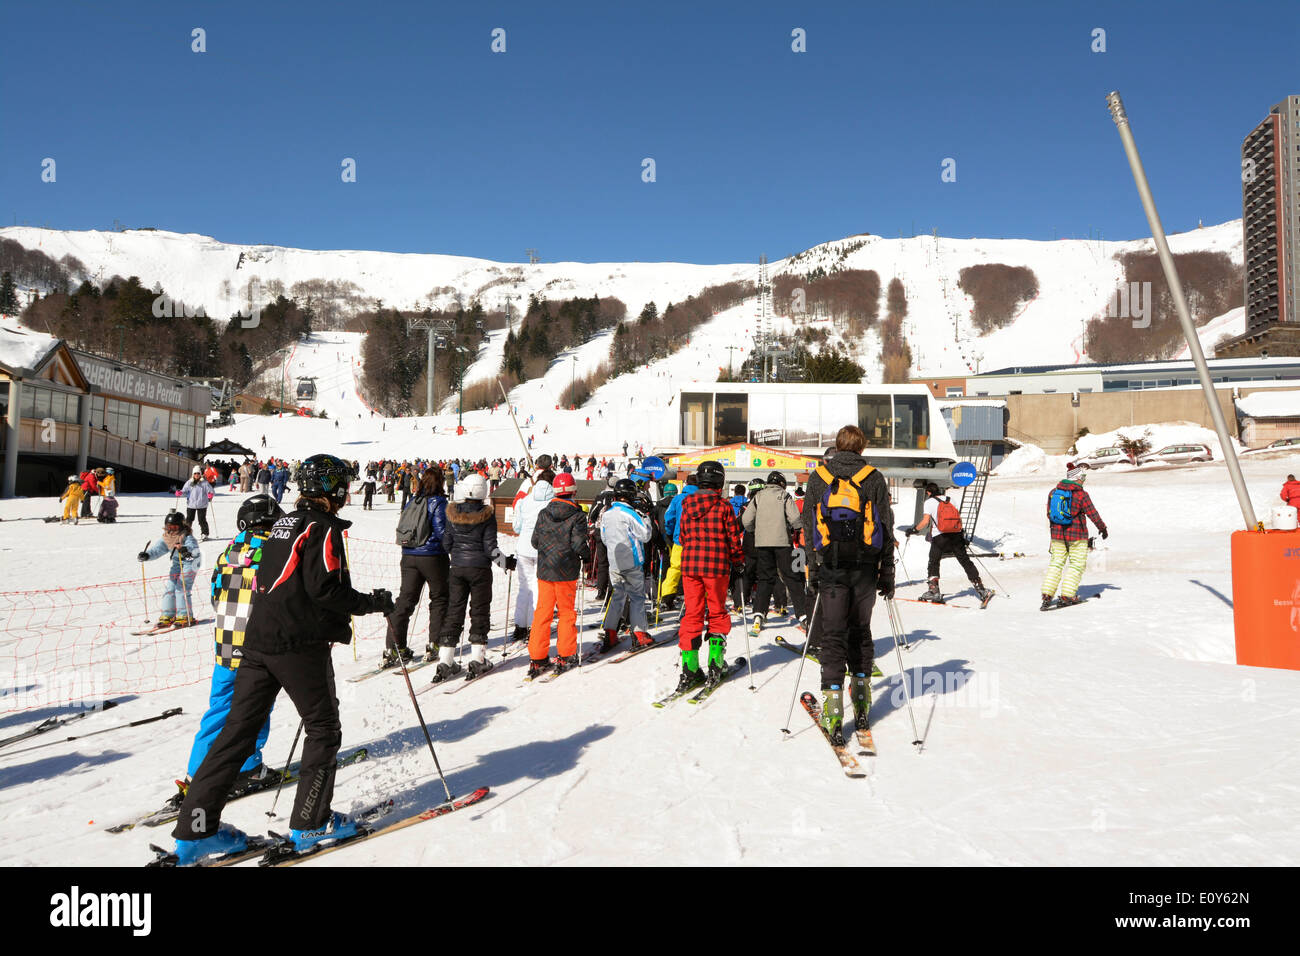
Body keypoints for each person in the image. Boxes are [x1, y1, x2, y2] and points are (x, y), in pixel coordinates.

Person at [170, 454, 394, 864]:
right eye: (342, 483)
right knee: (323, 728)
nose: (346, 491)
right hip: (296, 643)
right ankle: (311, 821)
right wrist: (372, 603)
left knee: (236, 733)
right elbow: (324, 588)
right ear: (331, 488)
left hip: (257, 641)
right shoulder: (321, 527)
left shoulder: (285, 522)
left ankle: (195, 832)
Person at [164, 494, 286, 813]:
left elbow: (216, 595)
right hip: (260, 644)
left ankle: (197, 771)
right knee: (256, 706)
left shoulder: (229, 551)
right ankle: (247, 766)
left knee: (220, 707)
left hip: (227, 643)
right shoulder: (277, 549)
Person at [802, 426, 895, 747]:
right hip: (866, 570)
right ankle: (862, 702)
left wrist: (812, 570)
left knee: (833, 635)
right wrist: (888, 572)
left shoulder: (820, 477)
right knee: (861, 632)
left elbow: (808, 525)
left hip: (831, 569)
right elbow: (885, 523)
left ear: (837, 446)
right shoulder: (874, 477)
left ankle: (832, 709)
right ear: (862, 447)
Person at [674, 460, 743, 693]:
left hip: (690, 567)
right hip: (716, 567)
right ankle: (716, 663)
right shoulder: (723, 507)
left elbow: (682, 536)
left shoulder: (686, 504)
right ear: (720, 482)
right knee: (717, 611)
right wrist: (738, 562)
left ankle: (690, 667)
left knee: (692, 614)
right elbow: (733, 539)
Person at [436, 472, 506, 681]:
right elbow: (490, 548)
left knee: (454, 611)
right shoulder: (487, 515)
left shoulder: (452, 513)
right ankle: (478, 658)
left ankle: (445, 661)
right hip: (480, 570)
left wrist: (457, 555)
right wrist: (506, 562)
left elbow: (446, 543)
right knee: (479, 611)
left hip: (456, 568)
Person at [383, 466, 449, 667]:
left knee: (405, 600)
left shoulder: (413, 501)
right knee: (439, 598)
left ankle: (394, 647)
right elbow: (441, 531)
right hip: (432, 556)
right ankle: (435, 643)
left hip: (409, 555)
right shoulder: (438, 502)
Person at [528, 472, 590, 676]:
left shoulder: (544, 513)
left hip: (545, 570)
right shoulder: (578, 515)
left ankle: (537, 656)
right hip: (566, 570)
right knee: (566, 613)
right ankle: (565, 653)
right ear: (573, 492)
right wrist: (586, 555)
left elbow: (535, 541)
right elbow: (579, 543)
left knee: (542, 613)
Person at [743, 470, 809, 634]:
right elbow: (794, 518)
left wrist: (754, 531)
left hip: (762, 543)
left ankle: (759, 614)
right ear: (782, 483)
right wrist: (797, 528)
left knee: (765, 578)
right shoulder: (785, 496)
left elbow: (746, 520)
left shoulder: (758, 497)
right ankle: (803, 615)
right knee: (791, 577)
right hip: (782, 543)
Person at [906, 482, 991, 605]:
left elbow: (925, 521)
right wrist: (961, 535)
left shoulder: (929, 502)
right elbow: (958, 519)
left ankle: (934, 591)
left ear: (928, 492)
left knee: (934, 562)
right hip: (956, 536)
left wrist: (914, 530)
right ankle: (980, 589)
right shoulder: (951, 500)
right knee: (965, 561)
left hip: (939, 536)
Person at [598, 478, 655, 654]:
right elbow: (645, 535)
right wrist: (645, 517)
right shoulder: (630, 513)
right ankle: (639, 634)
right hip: (632, 561)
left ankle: (610, 632)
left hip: (614, 561)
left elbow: (604, 538)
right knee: (637, 597)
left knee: (617, 596)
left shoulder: (607, 514)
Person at [1040, 464, 1108, 609]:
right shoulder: (1081, 494)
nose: (1084, 480)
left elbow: (1049, 514)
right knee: (1077, 564)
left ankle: (1047, 594)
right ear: (1076, 478)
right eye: (1082, 477)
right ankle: (1067, 595)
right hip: (1077, 536)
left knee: (1056, 563)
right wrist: (1102, 528)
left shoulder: (1054, 492)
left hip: (1057, 536)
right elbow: (1092, 513)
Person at [509, 456, 554, 645]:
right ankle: (536, 624)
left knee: (525, 586)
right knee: (539, 587)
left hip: (524, 548)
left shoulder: (525, 497)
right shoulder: (553, 499)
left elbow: (516, 527)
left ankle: (521, 624)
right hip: (543, 547)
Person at [138, 512, 203, 628]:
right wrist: (147, 555)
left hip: (191, 563)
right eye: (169, 527)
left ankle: (185, 615)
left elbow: (194, 553)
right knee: (170, 587)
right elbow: (157, 550)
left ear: (181, 526)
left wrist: (184, 550)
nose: (172, 530)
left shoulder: (187, 537)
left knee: (181, 588)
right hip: (177, 563)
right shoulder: (167, 537)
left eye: (175, 527)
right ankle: (168, 615)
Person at [657, 473, 697, 609]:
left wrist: (670, 532)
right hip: (698, 542)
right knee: (697, 571)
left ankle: (666, 597)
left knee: (675, 568)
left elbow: (669, 518)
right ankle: (699, 597)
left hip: (680, 540)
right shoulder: (701, 498)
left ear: (686, 484)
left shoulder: (678, 499)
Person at [181, 467, 214, 539]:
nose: (196, 475)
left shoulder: (204, 483)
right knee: (189, 519)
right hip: (191, 504)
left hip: (202, 504)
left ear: (200, 474)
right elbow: (184, 491)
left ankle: (205, 533)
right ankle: (186, 533)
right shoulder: (189, 482)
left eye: (198, 473)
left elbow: (211, 491)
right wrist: (180, 493)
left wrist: (210, 495)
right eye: (195, 473)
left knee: (202, 519)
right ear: (193, 474)